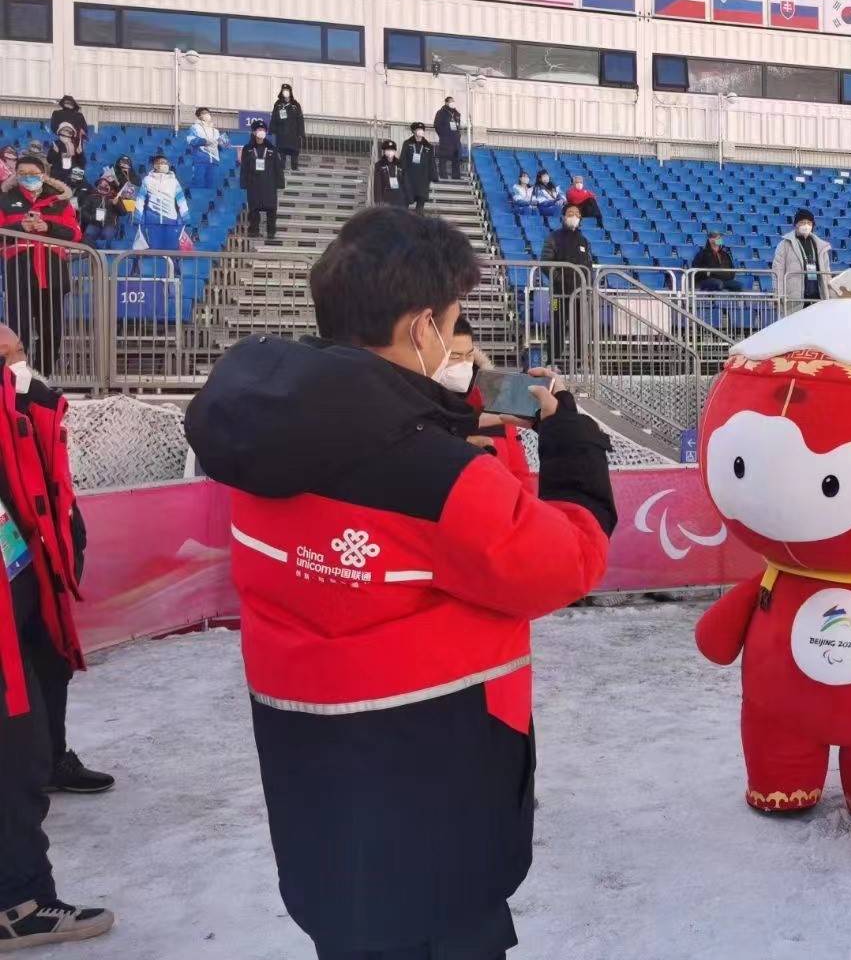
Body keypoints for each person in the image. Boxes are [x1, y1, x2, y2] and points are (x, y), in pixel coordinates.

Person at [184, 206, 615, 960]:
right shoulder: (434, 474)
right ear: (421, 330)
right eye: (451, 327)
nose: (459, 351)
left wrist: (508, 398)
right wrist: (572, 437)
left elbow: (413, 403)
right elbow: (566, 559)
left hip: (316, 790)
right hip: (433, 804)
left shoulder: (271, 428)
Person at [0, 323, 115, 952]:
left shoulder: (21, 392)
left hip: (23, 576)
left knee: (33, 721)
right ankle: (17, 901)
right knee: (12, 743)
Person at [0, 158, 78, 375]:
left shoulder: (60, 201)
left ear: (44, 174)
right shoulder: (4, 199)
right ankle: (18, 381)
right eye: (22, 172)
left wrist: (48, 226)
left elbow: (75, 233)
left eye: (32, 172)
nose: (27, 176)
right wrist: (18, 227)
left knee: (51, 333)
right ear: (15, 175)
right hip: (19, 274)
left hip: (52, 275)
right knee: (18, 333)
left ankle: (43, 378)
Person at [449, 317, 530, 484]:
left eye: (469, 355)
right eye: (455, 356)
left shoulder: (492, 392)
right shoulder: (419, 400)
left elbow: (520, 474)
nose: (464, 363)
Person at [539, 203, 596, 364]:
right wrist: (560, 279)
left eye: (577, 214)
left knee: (579, 328)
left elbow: (588, 265)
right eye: (570, 213)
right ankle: (553, 361)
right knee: (556, 326)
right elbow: (545, 262)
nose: (574, 216)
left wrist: (588, 285)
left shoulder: (584, 241)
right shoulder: (553, 237)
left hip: (580, 294)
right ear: (564, 216)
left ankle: (580, 361)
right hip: (558, 294)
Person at [772, 208, 831, 306]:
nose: (806, 225)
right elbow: (778, 271)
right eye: (802, 222)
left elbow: (827, 274)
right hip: (794, 299)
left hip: (817, 298)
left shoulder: (821, 246)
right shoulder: (784, 245)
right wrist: (778, 294)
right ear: (796, 224)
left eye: (809, 223)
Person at [133, 154, 190, 251]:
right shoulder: (147, 180)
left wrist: (185, 215)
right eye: (158, 163)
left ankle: (173, 266)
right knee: (155, 250)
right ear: (154, 165)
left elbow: (181, 200)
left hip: (171, 221)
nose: (161, 165)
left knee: (171, 250)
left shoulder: (174, 181)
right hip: (152, 221)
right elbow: (140, 199)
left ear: (168, 165)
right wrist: (137, 215)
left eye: (164, 163)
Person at [240, 120, 283, 241]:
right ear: (254, 132)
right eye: (259, 130)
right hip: (253, 183)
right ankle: (254, 231)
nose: (261, 132)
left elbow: (277, 166)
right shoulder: (247, 149)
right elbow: (244, 167)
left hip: (269, 183)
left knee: (271, 209)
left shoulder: (271, 148)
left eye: (263, 130)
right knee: (254, 208)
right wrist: (243, 182)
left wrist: (280, 182)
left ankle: (271, 232)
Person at [185, 108, 229, 191]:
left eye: (208, 113)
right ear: (199, 116)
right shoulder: (194, 127)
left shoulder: (215, 130)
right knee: (199, 185)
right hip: (200, 160)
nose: (207, 114)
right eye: (204, 113)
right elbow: (190, 140)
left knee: (212, 187)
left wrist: (225, 141)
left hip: (214, 161)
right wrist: (204, 141)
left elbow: (224, 144)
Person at [401, 123, 438, 213]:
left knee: (420, 207)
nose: (421, 131)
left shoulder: (428, 146)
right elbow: (403, 158)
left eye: (422, 129)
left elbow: (431, 162)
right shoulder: (407, 143)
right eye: (418, 129)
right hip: (409, 177)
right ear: (414, 131)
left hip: (423, 178)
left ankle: (417, 223)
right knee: (404, 203)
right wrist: (401, 172)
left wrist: (434, 176)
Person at [67, 167, 107, 249]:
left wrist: (81, 206)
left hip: (82, 212)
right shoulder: (67, 184)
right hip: (69, 210)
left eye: (76, 175)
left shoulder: (87, 187)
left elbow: (92, 201)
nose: (74, 177)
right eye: (73, 175)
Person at [269, 84, 304, 173]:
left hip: (293, 133)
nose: (286, 92)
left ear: (290, 92)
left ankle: (294, 167)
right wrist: (272, 130)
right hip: (281, 132)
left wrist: (301, 133)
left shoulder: (295, 105)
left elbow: (300, 119)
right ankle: (282, 166)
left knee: (294, 150)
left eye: (287, 90)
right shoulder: (278, 104)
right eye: (284, 90)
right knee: (281, 150)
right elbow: (273, 118)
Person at [434, 96, 463, 181]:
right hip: (445, 139)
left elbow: (458, 126)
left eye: (453, 101)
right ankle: (443, 176)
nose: (452, 103)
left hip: (455, 140)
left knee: (456, 158)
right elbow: (436, 125)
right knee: (443, 158)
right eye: (451, 101)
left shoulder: (457, 113)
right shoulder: (441, 112)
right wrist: (443, 135)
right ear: (446, 102)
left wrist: (458, 135)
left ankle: (456, 176)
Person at [372, 141, 408, 207]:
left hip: (399, 198)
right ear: (384, 151)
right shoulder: (379, 165)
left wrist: (406, 197)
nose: (390, 152)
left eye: (392, 150)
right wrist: (378, 200)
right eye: (388, 150)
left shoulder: (400, 164)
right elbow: (377, 184)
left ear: (394, 151)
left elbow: (405, 181)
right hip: (385, 198)